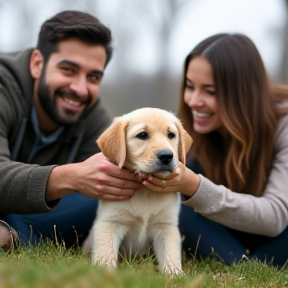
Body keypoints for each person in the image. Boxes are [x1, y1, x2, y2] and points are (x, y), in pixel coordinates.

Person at [0, 10, 143, 251]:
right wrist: (71, 177)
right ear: (37, 64)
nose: (80, 89)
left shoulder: (92, 115)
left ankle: (12, 234)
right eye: (68, 70)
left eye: (93, 77)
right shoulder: (5, 85)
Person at [142, 33, 288, 267]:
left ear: (244, 94)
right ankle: (243, 263)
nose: (193, 101)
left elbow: (275, 217)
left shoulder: (283, 123)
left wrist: (194, 186)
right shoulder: (195, 128)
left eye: (210, 91)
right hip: (230, 234)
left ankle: (247, 265)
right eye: (190, 86)